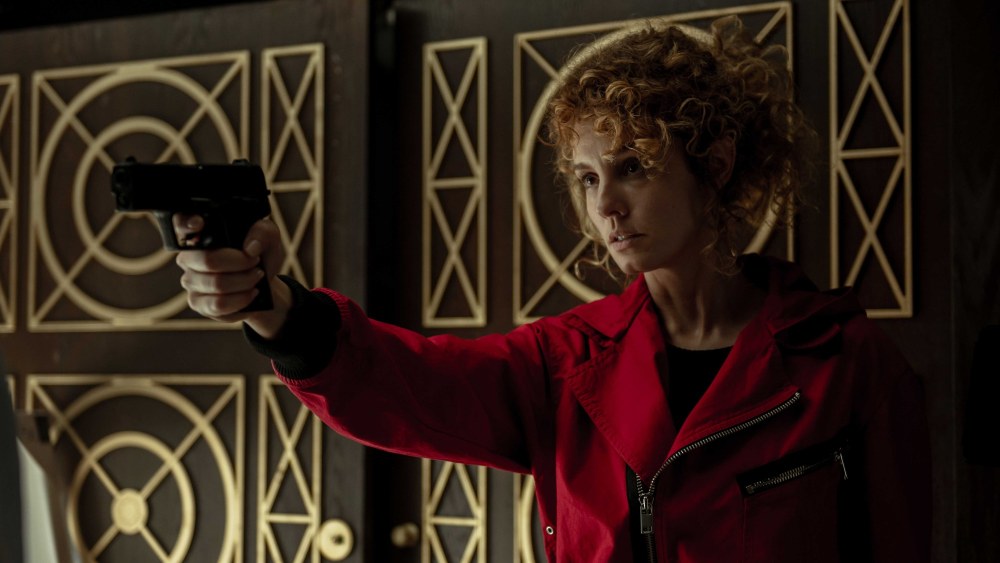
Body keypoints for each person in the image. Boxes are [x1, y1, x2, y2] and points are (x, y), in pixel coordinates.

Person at [175, 15, 930, 563]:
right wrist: (274, 306)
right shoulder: (566, 363)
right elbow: (406, 385)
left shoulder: (848, 364)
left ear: (717, 162)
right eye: (588, 177)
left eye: (632, 167)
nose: (606, 207)